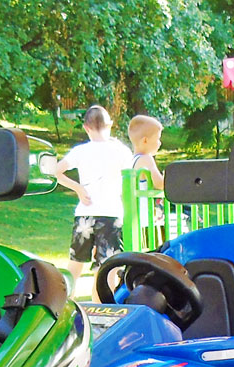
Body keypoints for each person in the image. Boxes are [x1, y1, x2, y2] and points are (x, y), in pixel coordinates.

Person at [52, 106, 162, 290]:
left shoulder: (80, 151)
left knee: (75, 264)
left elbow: (56, 171)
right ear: (110, 125)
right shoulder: (120, 150)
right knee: (107, 269)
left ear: (86, 128)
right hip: (111, 213)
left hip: (84, 214)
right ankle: (103, 307)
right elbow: (133, 177)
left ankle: (64, 303)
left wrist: (77, 188)